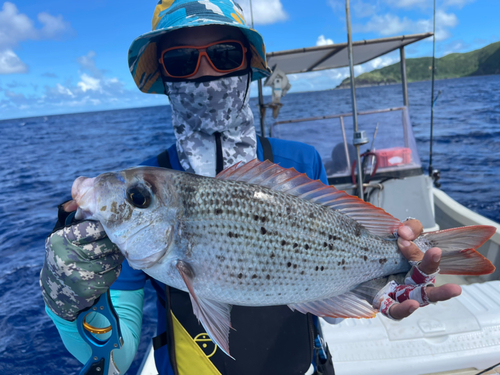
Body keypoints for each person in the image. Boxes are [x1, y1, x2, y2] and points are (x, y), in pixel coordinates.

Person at [40, 1, 461, 374]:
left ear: (248, 66)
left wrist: (379, 286)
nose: (205, 75)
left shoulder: (299, 162)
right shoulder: (147, 191)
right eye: (182, 61)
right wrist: (72, 304)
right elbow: (116, 355)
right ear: (163, 76)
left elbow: (324, 289)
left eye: (224, 55)